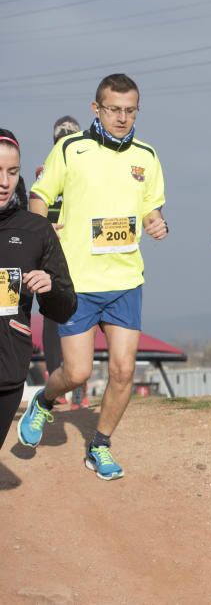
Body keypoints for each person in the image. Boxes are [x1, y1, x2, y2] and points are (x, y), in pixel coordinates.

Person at [20, 75, 168, 480]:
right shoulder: (71, 150)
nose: (122, 118)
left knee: (123, 371)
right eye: (114, 109)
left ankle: (99, 445)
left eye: (130, 110)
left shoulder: (147, 156)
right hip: (78, 281)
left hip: (125, 280)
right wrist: (40, 236)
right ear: (96, 109)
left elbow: (152, 209)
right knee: (77, 373)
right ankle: (45, 401)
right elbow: (39, 196)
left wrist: (157, 224)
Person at [0, 130, 76, 448]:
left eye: (12, 171)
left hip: (7, 371)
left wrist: (49, 288)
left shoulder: (35, 229)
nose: (4, 181)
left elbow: (65, 305)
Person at [42, 116, 87, 408]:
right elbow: (33, 208)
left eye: (69, 138)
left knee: (86, 321)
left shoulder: (87, 170)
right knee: (51, 320)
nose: (64, 143)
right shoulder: (45, 172)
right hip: (52, 260)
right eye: (60, 139)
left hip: (83, 262)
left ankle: (80, 392)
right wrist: (48, 227)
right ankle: (54, 386)